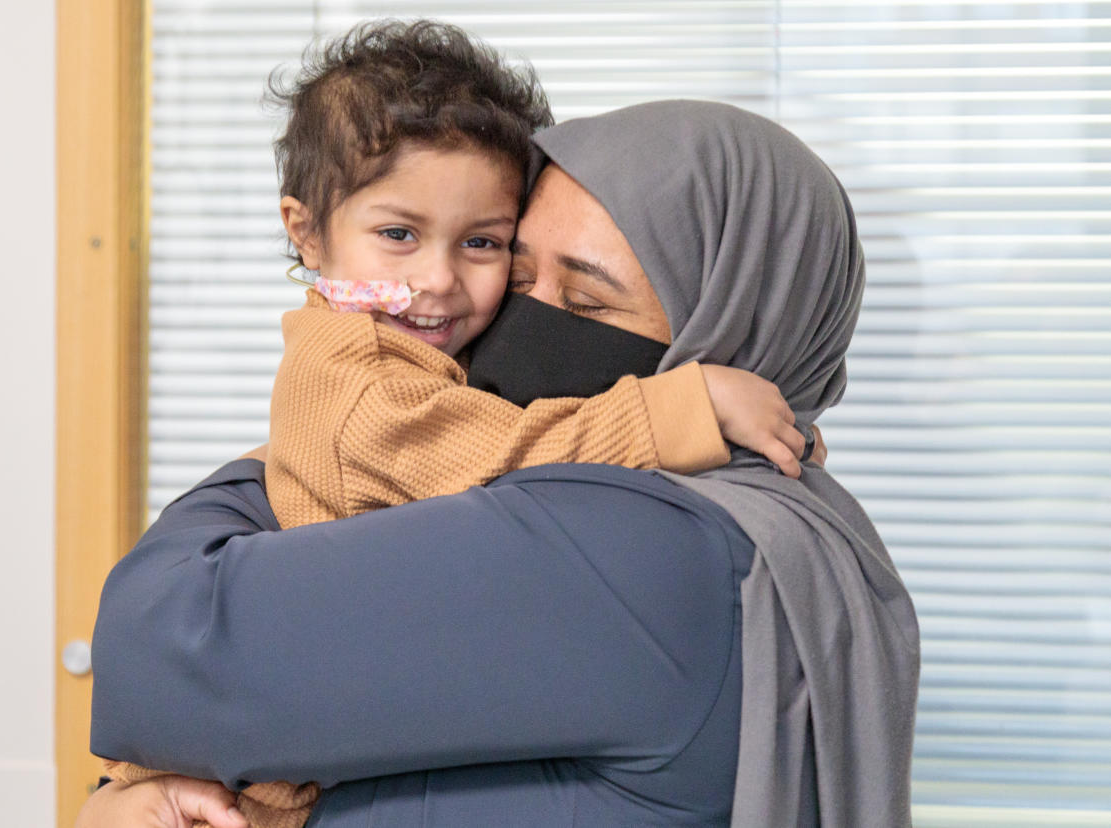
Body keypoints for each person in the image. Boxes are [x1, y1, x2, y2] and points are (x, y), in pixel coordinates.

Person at [83, 100, 919, 827]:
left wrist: (307, 443)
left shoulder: (642, 544)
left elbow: (162, 636)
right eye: (517, 282)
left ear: (731, 324)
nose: (505, 321)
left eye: (588, 303)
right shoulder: (770, 520)